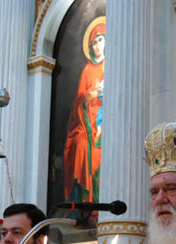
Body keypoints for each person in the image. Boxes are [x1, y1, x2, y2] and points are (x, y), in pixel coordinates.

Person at [63, 18, 105, 204]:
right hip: (85, 123)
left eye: (100, 40)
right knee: (79, 145)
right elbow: (77, 103)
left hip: (104, 119)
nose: (97, 46)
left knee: (100, 154)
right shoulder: (87, 69)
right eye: (94, 42)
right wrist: (88, 96)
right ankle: (84, 204)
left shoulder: (113, 64)